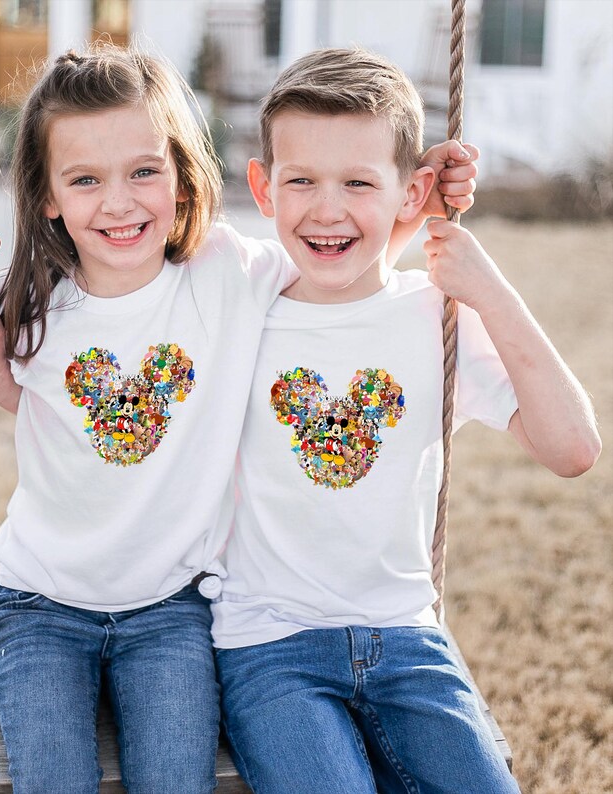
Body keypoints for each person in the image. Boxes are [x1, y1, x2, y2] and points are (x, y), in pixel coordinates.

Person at [0, 42, 477, 793]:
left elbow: (340, 261)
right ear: (48, 195)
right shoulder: (31, 301)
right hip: (40, 607)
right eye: (85, 179)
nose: (119, 201)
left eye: (144, 170)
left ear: (179, 171)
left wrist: (416, 194)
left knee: (177, 780)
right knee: (55, 781)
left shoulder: (227, 275)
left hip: (171, 613)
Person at [211, 48, 601, 793]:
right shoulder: (240, 296)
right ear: (263, 187)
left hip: (408, 640)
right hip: (270, 647)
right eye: (302, 181)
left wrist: (491, 292)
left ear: (411, 189)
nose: (327, 209)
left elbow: (574, 448)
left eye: (359, 182)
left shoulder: (438, 316)